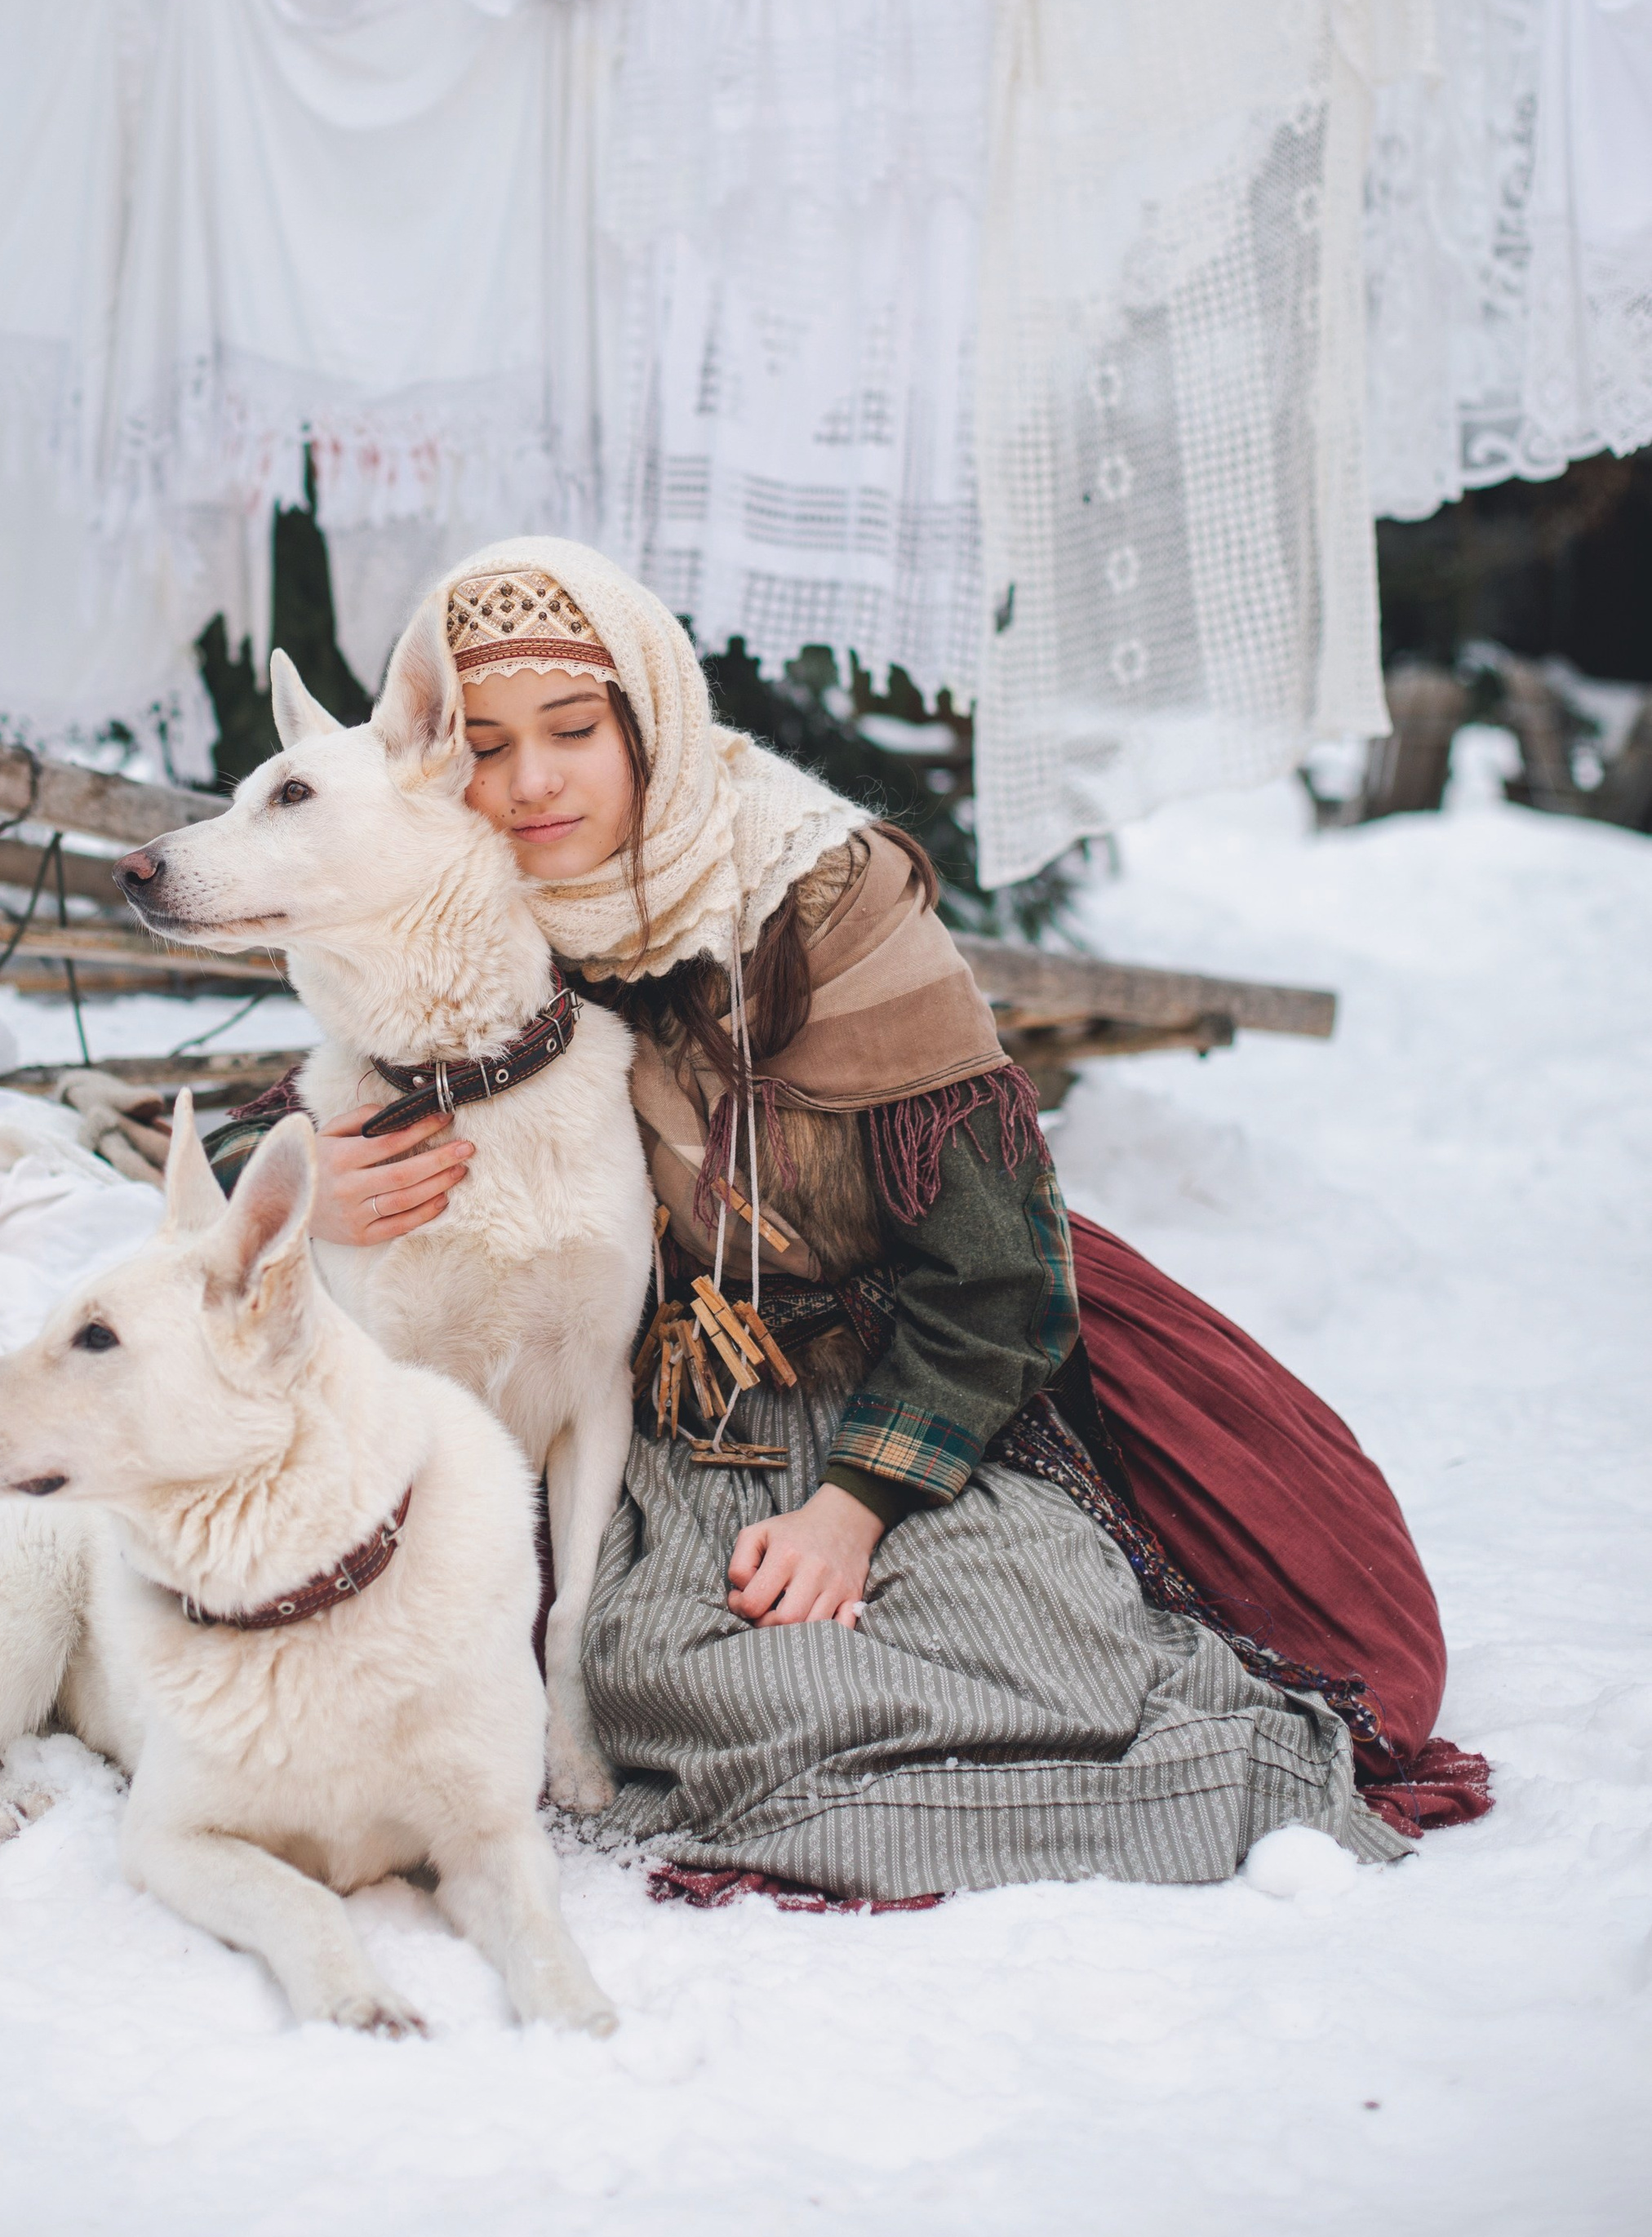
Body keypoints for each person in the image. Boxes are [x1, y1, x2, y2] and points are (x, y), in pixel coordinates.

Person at [302, 537, 1482, 1901]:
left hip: (925, 1348)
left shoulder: (818, 897)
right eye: (486, 747)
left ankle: (1143, 1775)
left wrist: (853, 1507)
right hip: (690, 1398)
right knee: (676, 1676)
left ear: (650, 722)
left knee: (1039, 1643)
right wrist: (310, 1173)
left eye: (573, 730)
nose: (530, 785)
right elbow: (330, 1078)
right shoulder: (470, 906)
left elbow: (994, 1262)